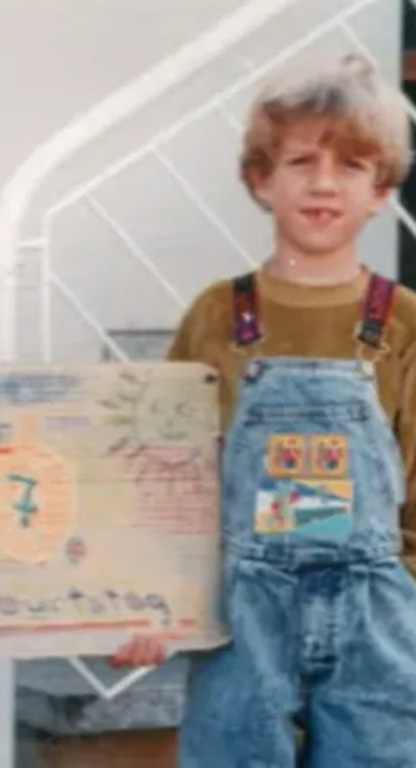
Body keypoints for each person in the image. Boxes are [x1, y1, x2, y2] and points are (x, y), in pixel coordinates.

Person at [110, 54, 416, 766]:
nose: (322, 182)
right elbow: (165, 474)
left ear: (382, 189)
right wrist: (156, 596)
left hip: (380, 618)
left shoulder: (402, 323)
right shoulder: (219, 314)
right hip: (240, 615)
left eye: (350, 165)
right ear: (259, 179)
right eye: (301, 160)